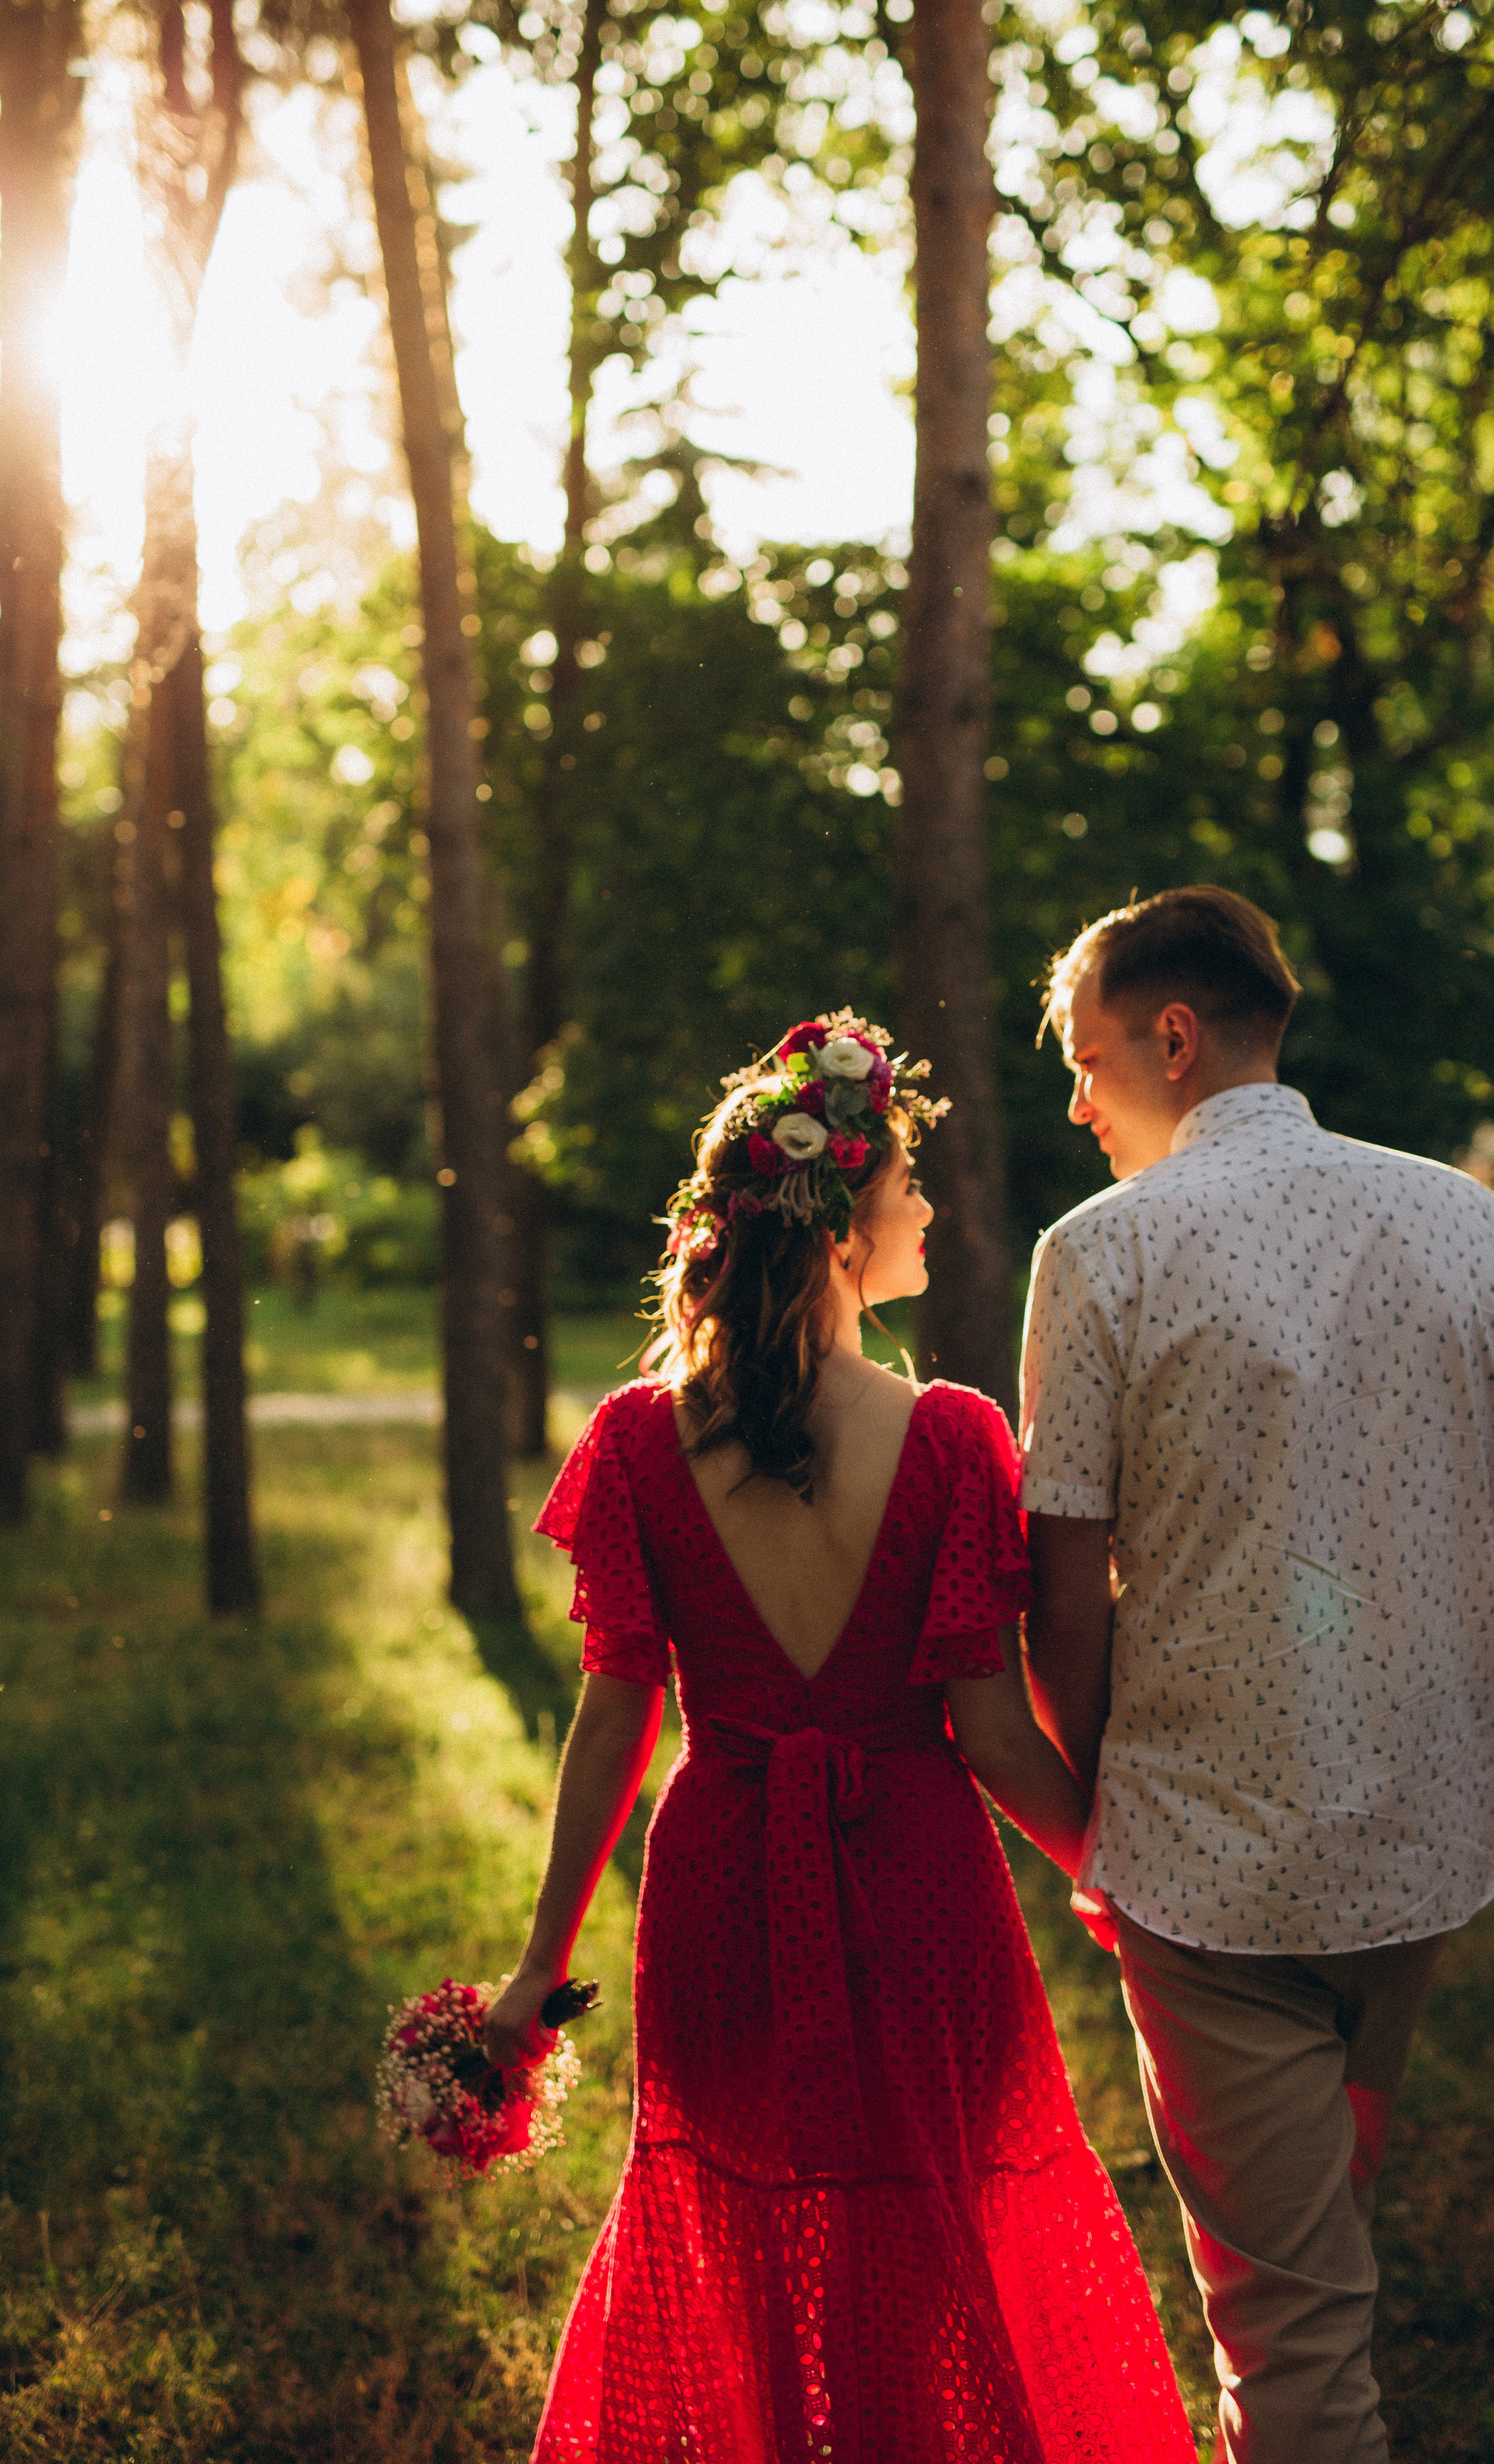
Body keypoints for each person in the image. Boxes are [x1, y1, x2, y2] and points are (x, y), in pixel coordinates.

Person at [484, 1013, 1195, 2464]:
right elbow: (992, 1732)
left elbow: (615, 1719)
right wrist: (1121, 1873)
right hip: (921, 1882)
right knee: (941, 2219)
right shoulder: (951, 1438)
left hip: (717, 1883)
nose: (927, 1212)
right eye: (907, 1190)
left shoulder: (638, 1442)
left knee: (738, 2231)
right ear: (837, 1235)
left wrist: (539, 1963)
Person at [1019, 887, 1494, 2464]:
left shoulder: (1099, 1253)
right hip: (1418, 1861)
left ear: (1172, 1037)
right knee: (1317, 2244)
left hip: (1206, 1881)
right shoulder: (1469, 1224)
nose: (1075, 1104)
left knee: (1292, 2339)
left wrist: (1099, 1820)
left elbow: (1062, 1595)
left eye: (1085, 1061)